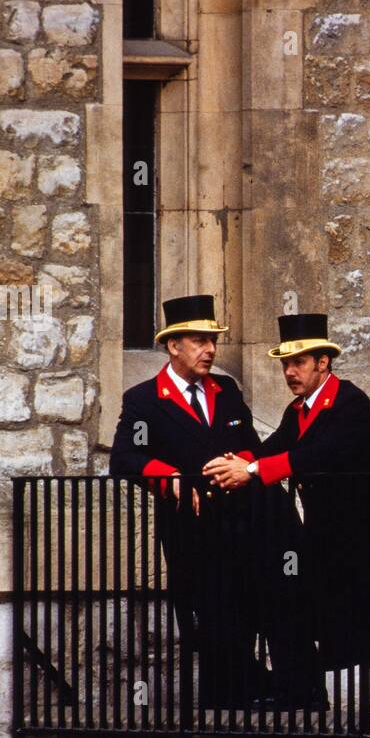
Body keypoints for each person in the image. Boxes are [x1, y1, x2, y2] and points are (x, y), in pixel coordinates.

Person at [205, 313, 370, 714]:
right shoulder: (300, 409)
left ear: (323, 362)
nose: (289, 372)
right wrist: (234, 461)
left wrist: (250, 471)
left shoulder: (348, 404)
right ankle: (303, 695)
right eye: (286, 364)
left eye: (298, 363)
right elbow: (275, 445)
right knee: (302, 612)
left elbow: (312, 455)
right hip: (336, 543)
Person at [109, 294, 267, 711]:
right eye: (199, 340)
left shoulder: (227, 390)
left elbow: (253, 448)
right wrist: (169, 477)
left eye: (212, 340)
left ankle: (239, 698)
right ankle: (223, 702)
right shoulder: (145, 399)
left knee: (241, 608)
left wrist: (241, 463)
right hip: (188, 527)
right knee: (204, 614)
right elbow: (125, 457)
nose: (210, 349)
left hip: (237, 520)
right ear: (172, 345)